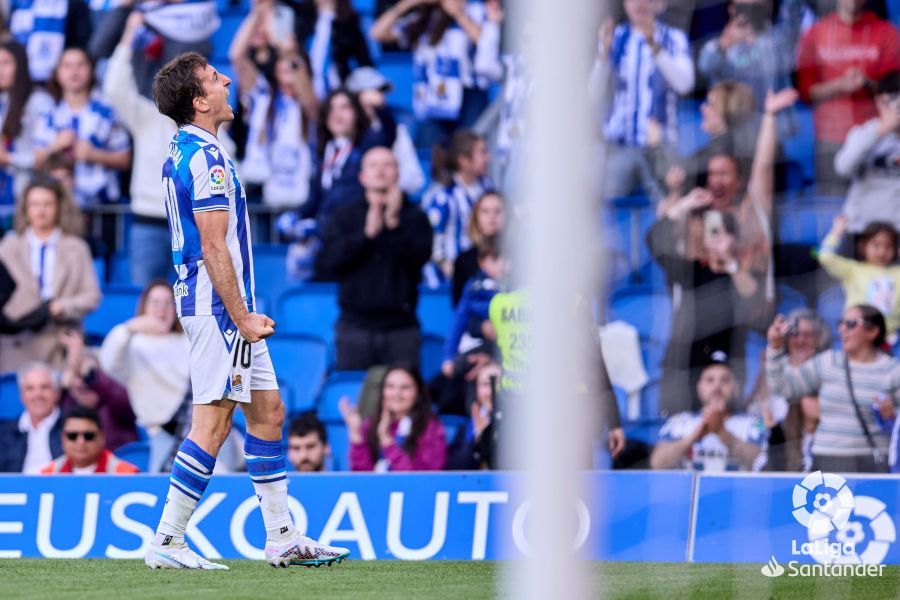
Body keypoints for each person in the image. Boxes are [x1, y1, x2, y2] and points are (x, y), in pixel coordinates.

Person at [144, 51, 348, 570]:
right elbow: (213, 246)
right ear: (199, 101)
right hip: (217, 309)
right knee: (212, 425)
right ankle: (167, 540)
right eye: (215, 78)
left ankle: (281, 536)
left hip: (217, 305)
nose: (228, 81)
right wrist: (240, 317)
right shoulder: (206, 159)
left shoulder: (188, 149)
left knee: (269, 411)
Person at [316, 147, 433, 371]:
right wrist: (366, 235)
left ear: (398, 174)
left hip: (401, 328)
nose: (380, 171)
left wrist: (393, 225)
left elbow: (419, 260)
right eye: (373, 165)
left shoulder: (415, 216)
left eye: (387, 165)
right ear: (362, 176)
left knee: (403, 391)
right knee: (354, 390)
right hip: (355, 328)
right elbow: (328, 262)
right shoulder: (344, 216)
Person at [647, 198, 764, 415]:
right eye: (709, 230)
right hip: (685, 364)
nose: (713, 238)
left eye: (719, 231)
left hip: (727, 364)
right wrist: (684, 205)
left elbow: (753, 298)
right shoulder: (688, 269)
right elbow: (655, 241)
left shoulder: (740, 273)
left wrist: (729, 261)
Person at [766, 305, 900, 473]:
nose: (841, 329)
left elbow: (897, 425)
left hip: (873, 461)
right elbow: (783, 388)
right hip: (827, 460)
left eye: (850, 324)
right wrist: (775, 347)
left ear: (872, 331)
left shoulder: (893, 370)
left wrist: (892, 416)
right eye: (840, 323)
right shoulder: (827, 362)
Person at [590, 0, 694, 199]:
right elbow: (595, 93)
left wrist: (655, 47)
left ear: (660, 4)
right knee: (597, 195)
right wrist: (603, 55)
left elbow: (685, 85)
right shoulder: (615, 37)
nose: (639, 4)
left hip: (661, 146)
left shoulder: (674, 38)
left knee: (671, 199)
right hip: (620, 147)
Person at [795, 0, 900, 195]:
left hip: (878, 136)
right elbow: (805, 92)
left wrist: (866, 83)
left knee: (878, 205)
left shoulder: (886, 32)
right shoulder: (815, 33)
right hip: (830, 139)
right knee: (831, 206)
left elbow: (895, 88)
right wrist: (839, 85)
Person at [0, 177, 100, 374]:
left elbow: (92, 296)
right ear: (25, 208)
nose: (41, 211)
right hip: (17, 343)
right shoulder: (8, 247)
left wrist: (64, 306)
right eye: (35, 204)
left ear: (59, 207)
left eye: (47, 204)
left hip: (59, 340)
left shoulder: (77, 248)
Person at [102, 11, 174, 285]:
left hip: (196, 226)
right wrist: (129, 36)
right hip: (147, 223)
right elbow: (114, 89)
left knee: (199, 304)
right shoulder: (148, 117)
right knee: (145, 300)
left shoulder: (210, 126)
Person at [370, 0, 494, 146]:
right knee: (431, 151)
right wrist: (404, 6)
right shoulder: (422, 18)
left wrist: (458, 14)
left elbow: (486, 43)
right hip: (432, 98)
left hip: (468, 93)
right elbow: (377, 33)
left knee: (469, 148)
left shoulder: (475, 10)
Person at [230, 2, 317, 209]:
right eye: (282, 61)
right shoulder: (263, 95)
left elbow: (309, 100)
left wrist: (291, 53)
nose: (287, 65)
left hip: (300, 191)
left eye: (293, 63)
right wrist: (257, 13)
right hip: (259, 188)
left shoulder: (309, 102)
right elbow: (236, 56)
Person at [99, 279, 191, 473]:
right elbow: (107, 362)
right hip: (163, 432)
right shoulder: (133, 344)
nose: (161, 309)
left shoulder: (188, 340)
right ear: (144, 307)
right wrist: (129, 327)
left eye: (168, 303)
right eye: (155, 303)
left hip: (197, 427)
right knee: (164, 484)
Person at [33, 47, 132, 207]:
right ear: (57, 73)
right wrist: (55, 146)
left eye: (81, 65)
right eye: (67, 65)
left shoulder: (108, 110)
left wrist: (94, 155)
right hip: (56, 205)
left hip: (101, 205)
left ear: (91, 70)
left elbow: (125, 159)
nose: (74, 71)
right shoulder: (47, 111)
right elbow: (36, 161)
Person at [696, 0, 806, 137]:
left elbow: (794, 15)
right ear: (731, 8)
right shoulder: (718, 45)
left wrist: (754, 38)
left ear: (768, 7)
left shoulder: (778, 39)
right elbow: (704, 67)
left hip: (772, 130)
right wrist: (725, 43)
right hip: (731, 134)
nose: (749, 12)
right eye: (743, 7)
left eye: (756, 6)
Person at [298, 88, 396, 235]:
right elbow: (316, 197)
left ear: (357, 113)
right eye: (331, 108)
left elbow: (389, 133)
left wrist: (380, 108)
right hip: (326, 233)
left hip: (354, 231)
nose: (337, 115)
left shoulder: (366, 145)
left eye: (344, 107)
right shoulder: (324, 151)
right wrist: (297, 215)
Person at [747, 308, 831, 471]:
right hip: (775, 442)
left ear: (819, 339)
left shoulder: (826, 367)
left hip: (816, 442)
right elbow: (756, 408)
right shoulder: (775, 366)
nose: (800, 340)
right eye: (794, 334)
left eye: (807, 335)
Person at [651, 355, 769, 471]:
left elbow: (764, 462)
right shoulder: (680, 421)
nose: (717, 386)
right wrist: (693, 436)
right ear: (699, 387)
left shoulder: (754, 423)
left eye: (725, 380)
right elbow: (657, 463)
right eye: (710, 380)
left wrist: (721, 432)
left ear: (736, 388)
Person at [340, 364, 448, 471]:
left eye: (405, 387)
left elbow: (420, 478)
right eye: (390, 386)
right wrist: (356, 433)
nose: (397, 394)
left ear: (418, 392)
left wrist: (386, 440)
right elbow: (362, 475)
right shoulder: (371, 424)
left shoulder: (430, 428)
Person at [834, 70, 900, 235]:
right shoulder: (862, 133)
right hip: (862, 231)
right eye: (890, 101)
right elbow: (843, 168)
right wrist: (881, 130)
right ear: (878, 102)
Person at [423, 130, 494, 281]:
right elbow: (431, 238)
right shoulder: (443, 196)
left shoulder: (487, 186)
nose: (488, 158)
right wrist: (444, 264)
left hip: (484, 271)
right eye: (482, 153)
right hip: (453, 277)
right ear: (464, 160)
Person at [818, 217, 900, 337]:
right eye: (876, 245)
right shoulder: (853, 269)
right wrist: (837, 231)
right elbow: (826, 257)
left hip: (892, 337)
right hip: (857, 335)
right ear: (862, 246)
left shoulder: (897, 272)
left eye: (888, 246)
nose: (882, 252)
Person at [58, 328, 137, 451]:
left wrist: (88, 374)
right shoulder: (66, 403)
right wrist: (70, 371)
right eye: (77, 376)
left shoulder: (115, 403)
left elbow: (125, 401)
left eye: (88, 375)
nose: (83, 384)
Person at [441, 240, 505, 378]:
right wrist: (448, 356)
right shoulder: (474, 288)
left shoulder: (516, 287)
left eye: (506, 259)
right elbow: (459, 319)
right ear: (481, 262)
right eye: (495, 259)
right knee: (460, 369)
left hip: (504, 349)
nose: (502, 265)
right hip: (476, 344)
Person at [0, 40, 54, 203]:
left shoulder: (40, 101)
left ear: (21, 65)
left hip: (31, 195)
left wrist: (7, 158)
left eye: (6, 63)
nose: (0, 70)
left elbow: (42, 156)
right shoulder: (4, 100)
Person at [290, 0, 373, 99]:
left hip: (337, 86)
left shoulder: (348, 23)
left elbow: (364, 60)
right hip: (308, 87)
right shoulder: (304, 19)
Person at [0, 362, 64, 473]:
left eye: (45, 387)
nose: (38, 394)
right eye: (30, 388)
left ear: (57, 393)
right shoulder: (4, 432)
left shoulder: (73, 429)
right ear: (21, 395)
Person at [8, 0, 91, 83]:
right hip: (22, 75)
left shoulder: (74, 4)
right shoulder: (18, 3)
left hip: (60, 76)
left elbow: (80, 40)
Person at [39, 405, 139, 473]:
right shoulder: (49, 475)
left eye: (88, 435)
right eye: (72, 436)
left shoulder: (125, 474)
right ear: (63, 439)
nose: (80, 442)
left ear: (102, 437)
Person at [452, 191, 505, 306]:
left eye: (498, 211)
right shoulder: (463, 261)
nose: (492, 217)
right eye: (485, 211)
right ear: (476, 218)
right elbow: (458, 308)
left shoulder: (520, 258)